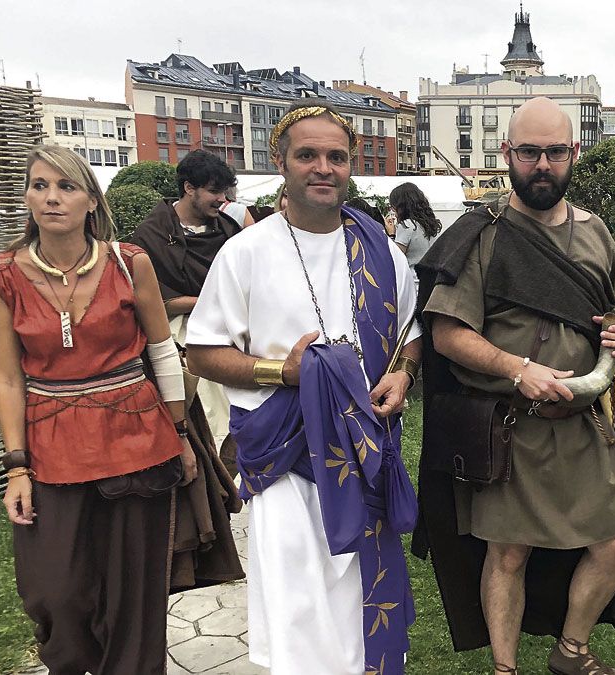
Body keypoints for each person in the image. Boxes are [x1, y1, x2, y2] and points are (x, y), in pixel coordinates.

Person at [413, 97, 615, 675]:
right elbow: (449, 333)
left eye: (555, 152)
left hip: (586, 424)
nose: (543, 164)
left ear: (574, 154)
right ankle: (505, 669)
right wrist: (517, 369)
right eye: (530, 152)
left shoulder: (596, 233)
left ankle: (571, 651)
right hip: (513, 432)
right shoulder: (483, 235)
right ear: (508, 155)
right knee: (508, 554)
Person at [186, 100, 421, 674]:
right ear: (281, 162)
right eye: (308, 155)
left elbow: (412, 332)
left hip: (365, 454)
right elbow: (201, 352)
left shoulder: (382, 252)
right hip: (287, 460)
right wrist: (281, 372)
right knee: (297, 610)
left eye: (336, 156)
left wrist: (404, 372)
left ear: (350, 164)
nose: (323, 167)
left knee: (360, 604)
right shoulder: (247, 252)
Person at [0, 145, 196, 674]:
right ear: (27, 195)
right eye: (39, 185)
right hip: (50, 445)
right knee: (55, 592)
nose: (51, 198)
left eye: (66, 186)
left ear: (91, 201)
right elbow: (8, 376)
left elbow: (162, 349)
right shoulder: (4, 273)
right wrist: (16, 468)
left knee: (134, 598)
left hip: (137, 438)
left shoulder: (130, 262)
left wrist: (182, 433)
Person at [128, 149, 242, 456]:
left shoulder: (229, 231)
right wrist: (211, 301)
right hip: (179, 345)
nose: (221, 199)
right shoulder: (151, 235)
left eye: (224, 193)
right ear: (189, 188)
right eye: (214, 191)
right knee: (202, 423)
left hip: (231, 335)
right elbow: (157, 303)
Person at [389, 181, 443, 276]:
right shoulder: (431, 224)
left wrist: (391, 235)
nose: (392, 210)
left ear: (401, 206)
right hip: (431, 277)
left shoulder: (407, 225)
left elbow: (396, 257)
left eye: (393, 206)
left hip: (412, 278)